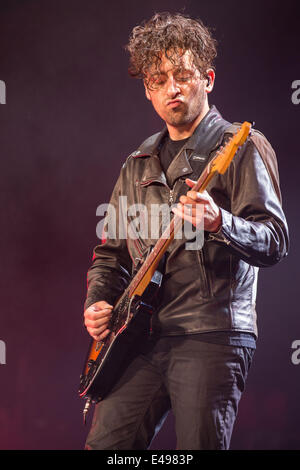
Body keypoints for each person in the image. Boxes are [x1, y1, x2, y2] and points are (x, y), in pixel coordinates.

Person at [83, 12, 289, 450]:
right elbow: (112, 254)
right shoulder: (136, 165)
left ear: (208, 79)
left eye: (183, 75)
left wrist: (220, 221)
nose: (171, 88)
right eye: (159, 79)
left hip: (210, 333)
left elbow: (275, 240)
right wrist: (98, 302)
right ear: (148, 90)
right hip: (139, 337)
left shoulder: (240, 145)